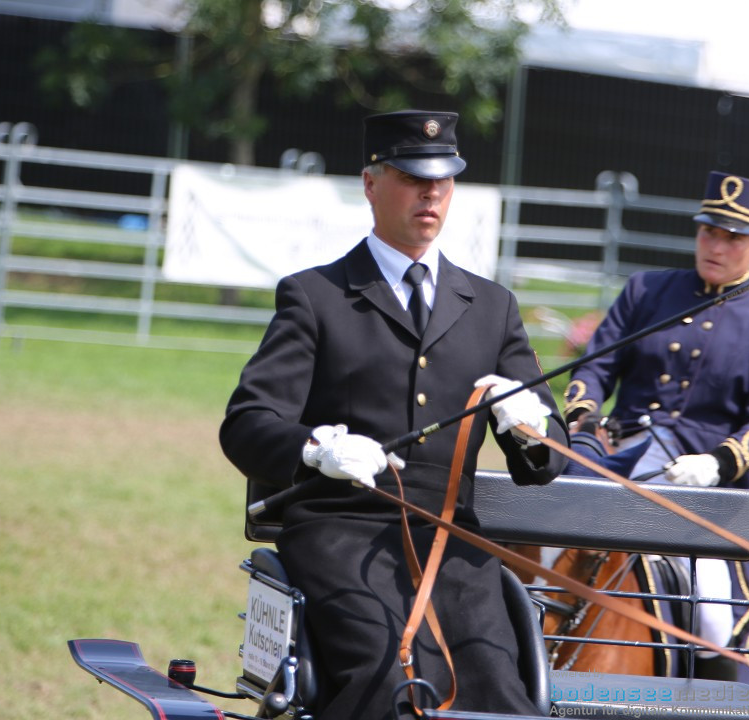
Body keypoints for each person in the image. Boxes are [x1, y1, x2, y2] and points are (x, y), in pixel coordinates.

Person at [219, 109, 568, 720]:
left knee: (498, 691)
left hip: (451, 545)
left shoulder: (492, 307)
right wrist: (314, 450)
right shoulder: (316, 296)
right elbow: (247, 423)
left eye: (444, 179)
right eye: (411, 176)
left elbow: (547, 460)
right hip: (341, 533)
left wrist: (527, 426)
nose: (430, 192)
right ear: (370, 183)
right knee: (384, 679)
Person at [562, 170, 749, 684]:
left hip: (700, 488)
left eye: (733, 238)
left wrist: (718, 463)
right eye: (708, 231)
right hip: (613, 464)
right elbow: (595, 368)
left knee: (714, 618)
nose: (716, 245)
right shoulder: (646, 291)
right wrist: (582, 422)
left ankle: (731, 699)